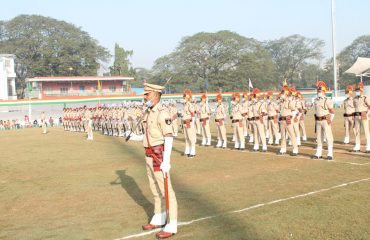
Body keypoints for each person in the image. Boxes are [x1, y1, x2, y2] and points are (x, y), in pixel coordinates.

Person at [141, 83, 178, 239]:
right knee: (154, 189)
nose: (145, 97)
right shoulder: (149, 112)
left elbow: (168, 137)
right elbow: (149, 135)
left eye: (147, 94)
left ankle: (172, 223)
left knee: (166, 191)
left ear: (156, 95)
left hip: (158, 156)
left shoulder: (163, 113)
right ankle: (158, 217)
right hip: (148, 154)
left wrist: (166, 161)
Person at [312, 80, 335, 160]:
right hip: (318, 120)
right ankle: (318, 153)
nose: (318, 92)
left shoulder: (327, 100)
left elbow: (332, 111)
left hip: (325, 120)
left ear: (324, 91)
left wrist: (330, 120)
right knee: (319, 137)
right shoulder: (316, 100)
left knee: (328, 137)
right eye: (318, 90)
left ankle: (330, 153)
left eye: (320, 90)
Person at [353, 82, 370, 153]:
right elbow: (355, 107)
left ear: (361, 90)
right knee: (357, 131)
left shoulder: (365, 98)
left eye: (358, 90)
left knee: (366, 131)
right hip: (356, 115)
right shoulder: (355, 99)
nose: (357, 92)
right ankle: (357, 145)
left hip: (363, 115)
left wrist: (367, 114)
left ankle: (368, 146)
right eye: (356, 90)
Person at [182, 89, 197, 158]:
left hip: (189, 122)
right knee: (186, 138)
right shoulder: (185, 105)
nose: (184, 97)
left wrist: (193, 122)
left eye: (186, 96)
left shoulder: (189, 104)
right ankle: (187, 151)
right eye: (184, 96)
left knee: (191, 137)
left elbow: (193, 113)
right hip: (185, 122)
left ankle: (193, 151)